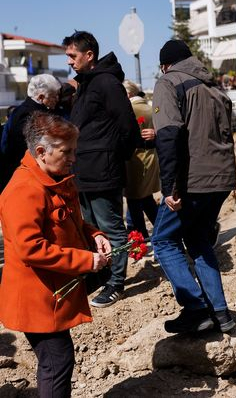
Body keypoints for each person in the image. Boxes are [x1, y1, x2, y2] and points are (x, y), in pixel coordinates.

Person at [0, 112, 111, 398]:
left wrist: (94, 235)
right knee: (56, 362)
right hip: (36, 298)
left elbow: (71, 221)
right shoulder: (24, 189)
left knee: (58, 360)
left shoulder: (53, 178)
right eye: (67, 151)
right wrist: (86, 260)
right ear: (41, 152)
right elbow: (30, 247)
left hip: (52, 294)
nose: (74, 157)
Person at [151, 39, 236, 334]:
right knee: (198, 240)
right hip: (223, 177)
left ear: (165, 65)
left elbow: (168, 137)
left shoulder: (168, 81)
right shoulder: (215, 88)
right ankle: (221, 313)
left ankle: (196, 308)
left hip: (193, 181)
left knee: (163, 241)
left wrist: (169, 188)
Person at [62, 30, 140, 308]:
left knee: (112, 229)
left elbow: (128, 127)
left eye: (73, 55)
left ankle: (117, 283)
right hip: (84, 171)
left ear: (89, 55)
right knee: (92, 229)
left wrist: (112, 156)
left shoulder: (106, 82)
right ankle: (102, 275)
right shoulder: (85, 84)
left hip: (103, 171)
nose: (69, 61)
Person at [0, 74, 60, 188]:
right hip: (27, 176)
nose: (57, 99)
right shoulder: (28, 114)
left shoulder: (26, 110)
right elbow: (27, 148)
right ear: (41, 97)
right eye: (54, 96)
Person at [122, 79, 160, 238]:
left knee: (134, 199)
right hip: (151, 155)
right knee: (145, 198)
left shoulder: (131, 108)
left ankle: (140, 234)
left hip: (136, 159)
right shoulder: (149, 107)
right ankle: (159, 229)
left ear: (128, 93)